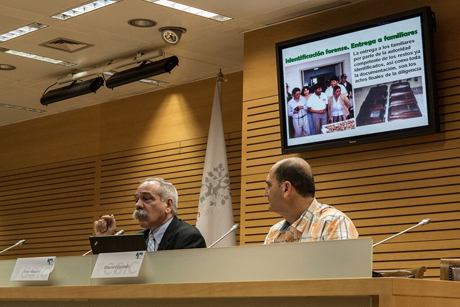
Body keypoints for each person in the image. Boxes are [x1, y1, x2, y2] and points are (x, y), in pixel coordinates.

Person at [94, 177, 206, 251]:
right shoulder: (138, 239)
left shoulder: (188, 237)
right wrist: (106, 241)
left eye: (146, 199)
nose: (137, 205)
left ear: (168, 205)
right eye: (136, 200)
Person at [263, 157, 358, 244]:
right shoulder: (273, 233)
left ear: (286, 188)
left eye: (269, 185)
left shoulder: (333, 224)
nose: (265, 193)